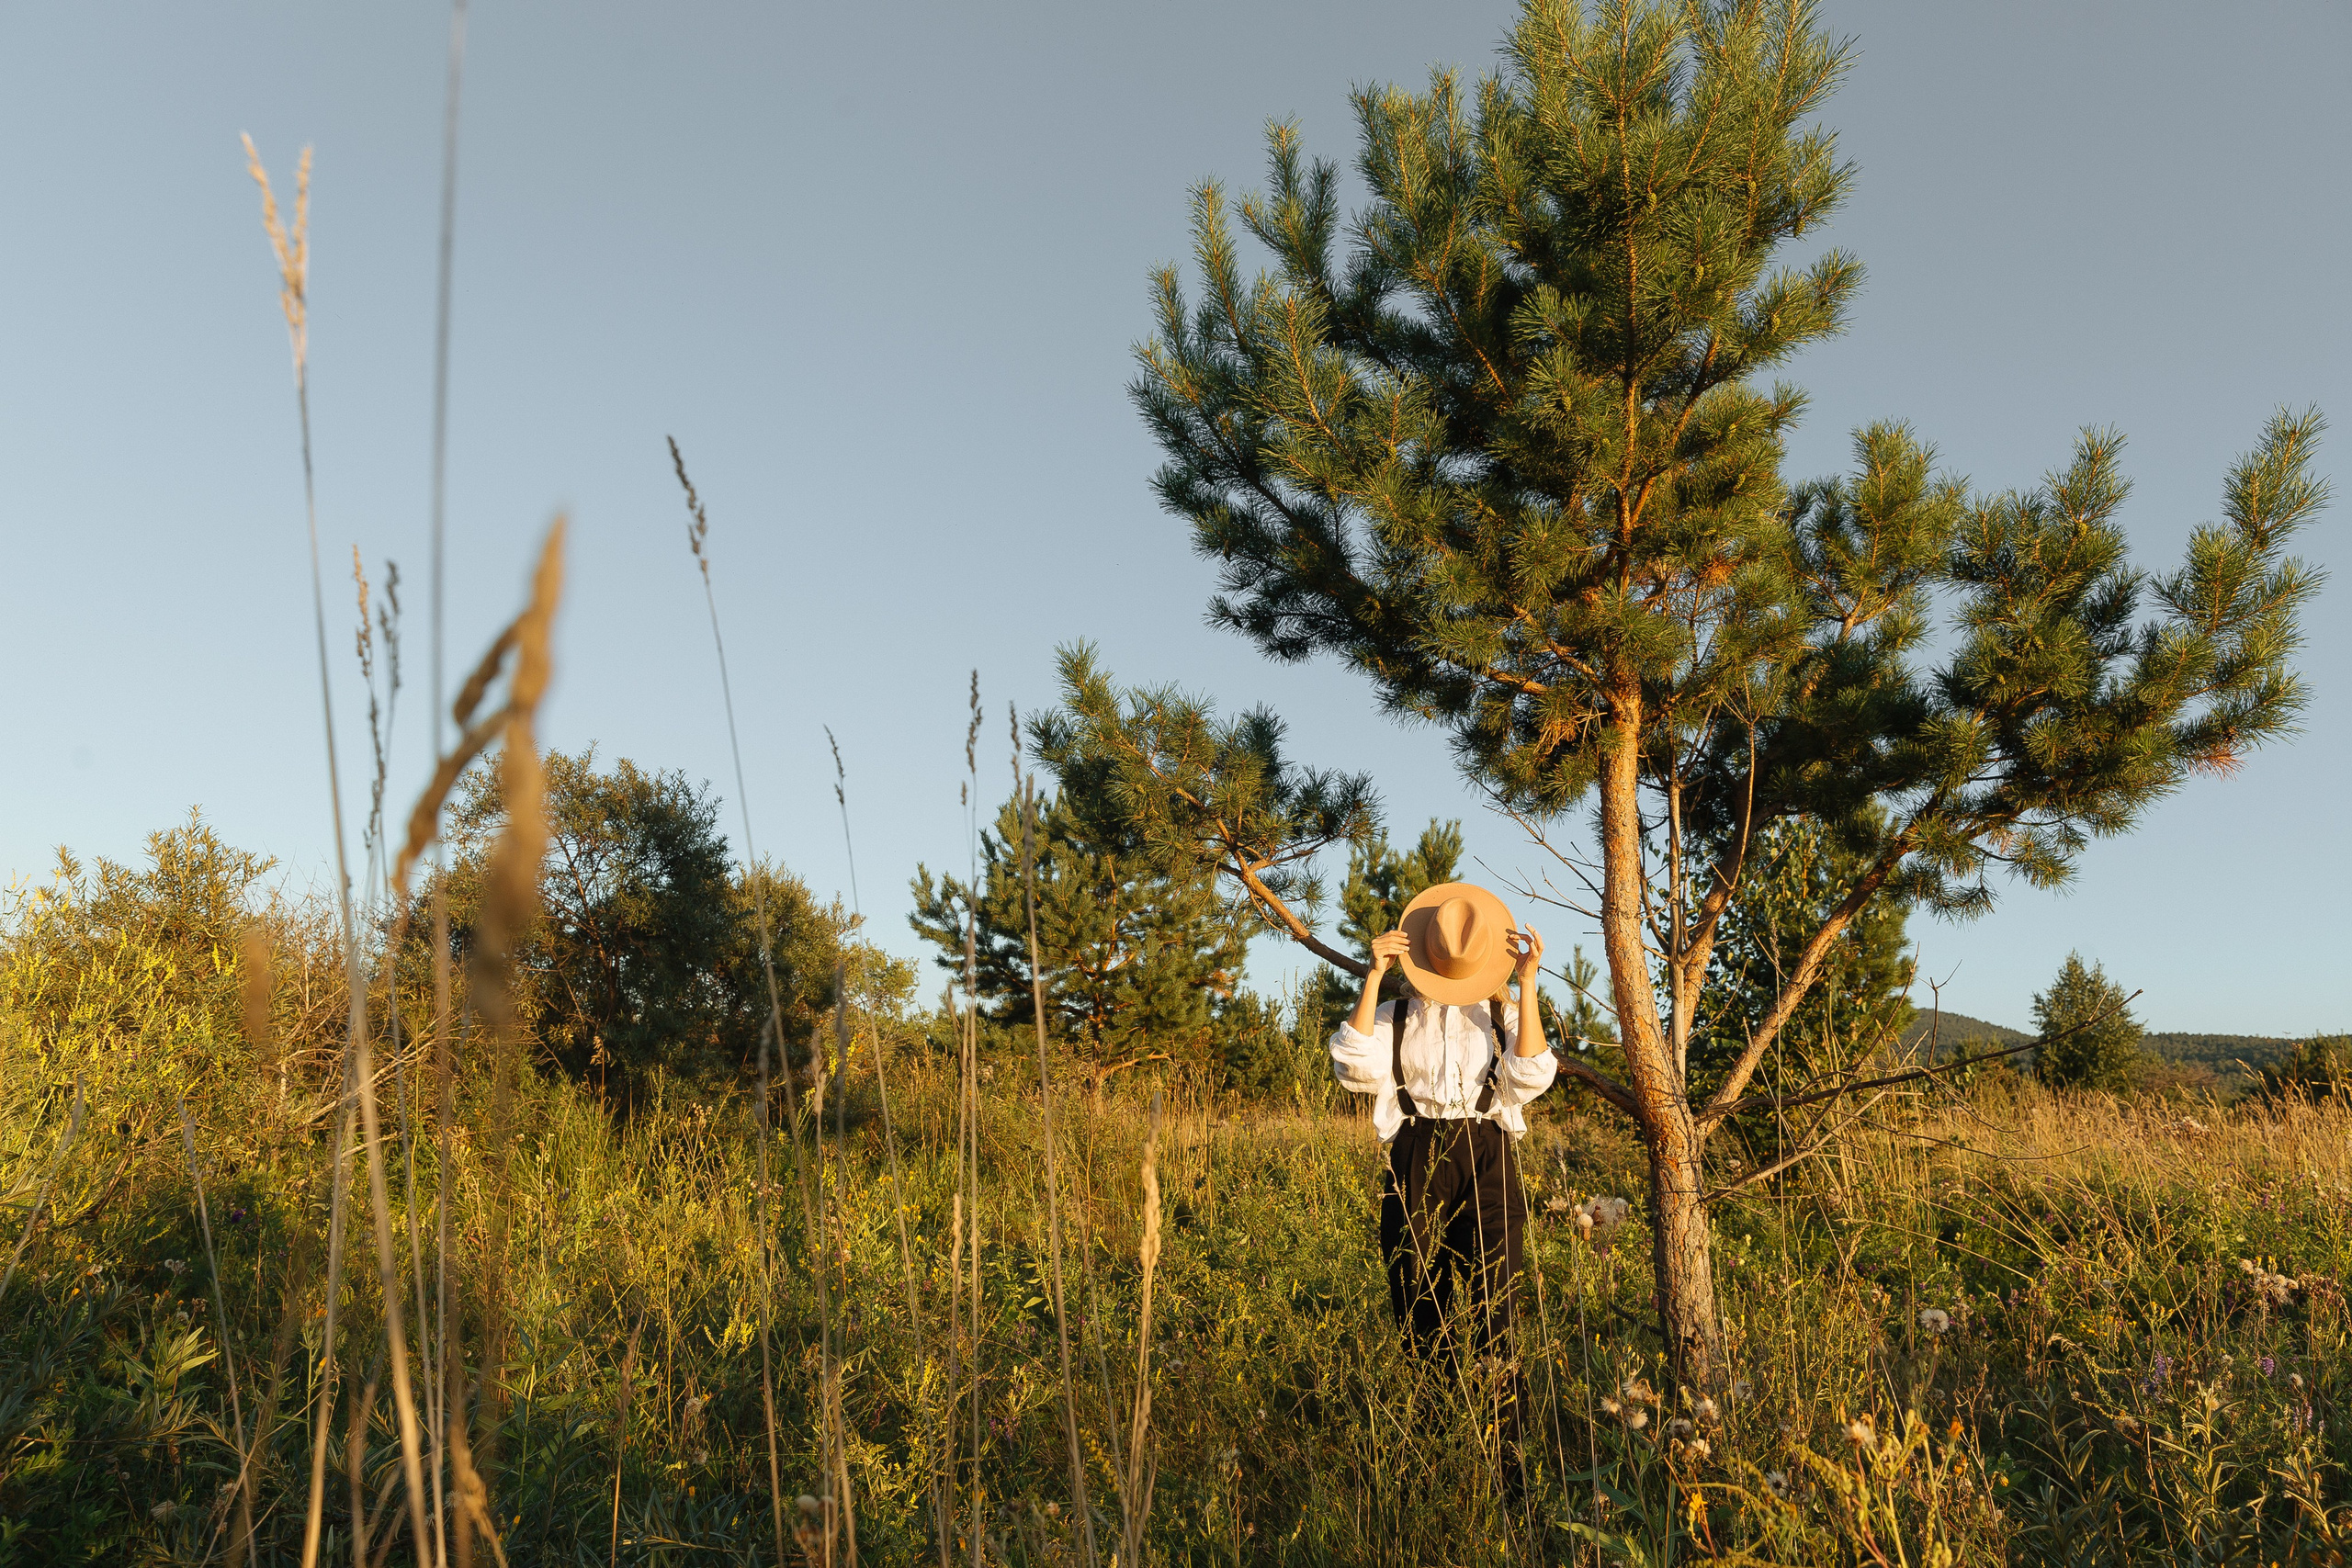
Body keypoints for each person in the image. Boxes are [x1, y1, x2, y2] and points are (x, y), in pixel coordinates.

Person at [1328, 881, 1555, 1482]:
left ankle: (1510, 1475)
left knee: (1496, 1312)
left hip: (1488, 1156)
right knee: (1418, 1308)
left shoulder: (1503, 1013)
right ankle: (1430, 1462)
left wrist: (1528, 984)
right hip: (1415, 1152)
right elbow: (1352, 1064)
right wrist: (1373, 976)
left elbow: (1530, 1077)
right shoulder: (1394, 1015)